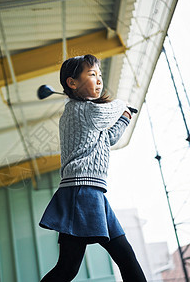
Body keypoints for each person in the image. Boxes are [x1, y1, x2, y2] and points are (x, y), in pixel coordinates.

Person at [39, 54, 147, 282]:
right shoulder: (80, 110)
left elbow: (108, 138)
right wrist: (121, 104)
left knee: (123, 258)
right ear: (72, 82)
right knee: (69, 268)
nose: (99, 80)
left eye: (100, 75)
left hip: (91, 193)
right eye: (92, 75)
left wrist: (125, 116)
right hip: (81, 192)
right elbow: (104, 111)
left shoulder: (86, 112)